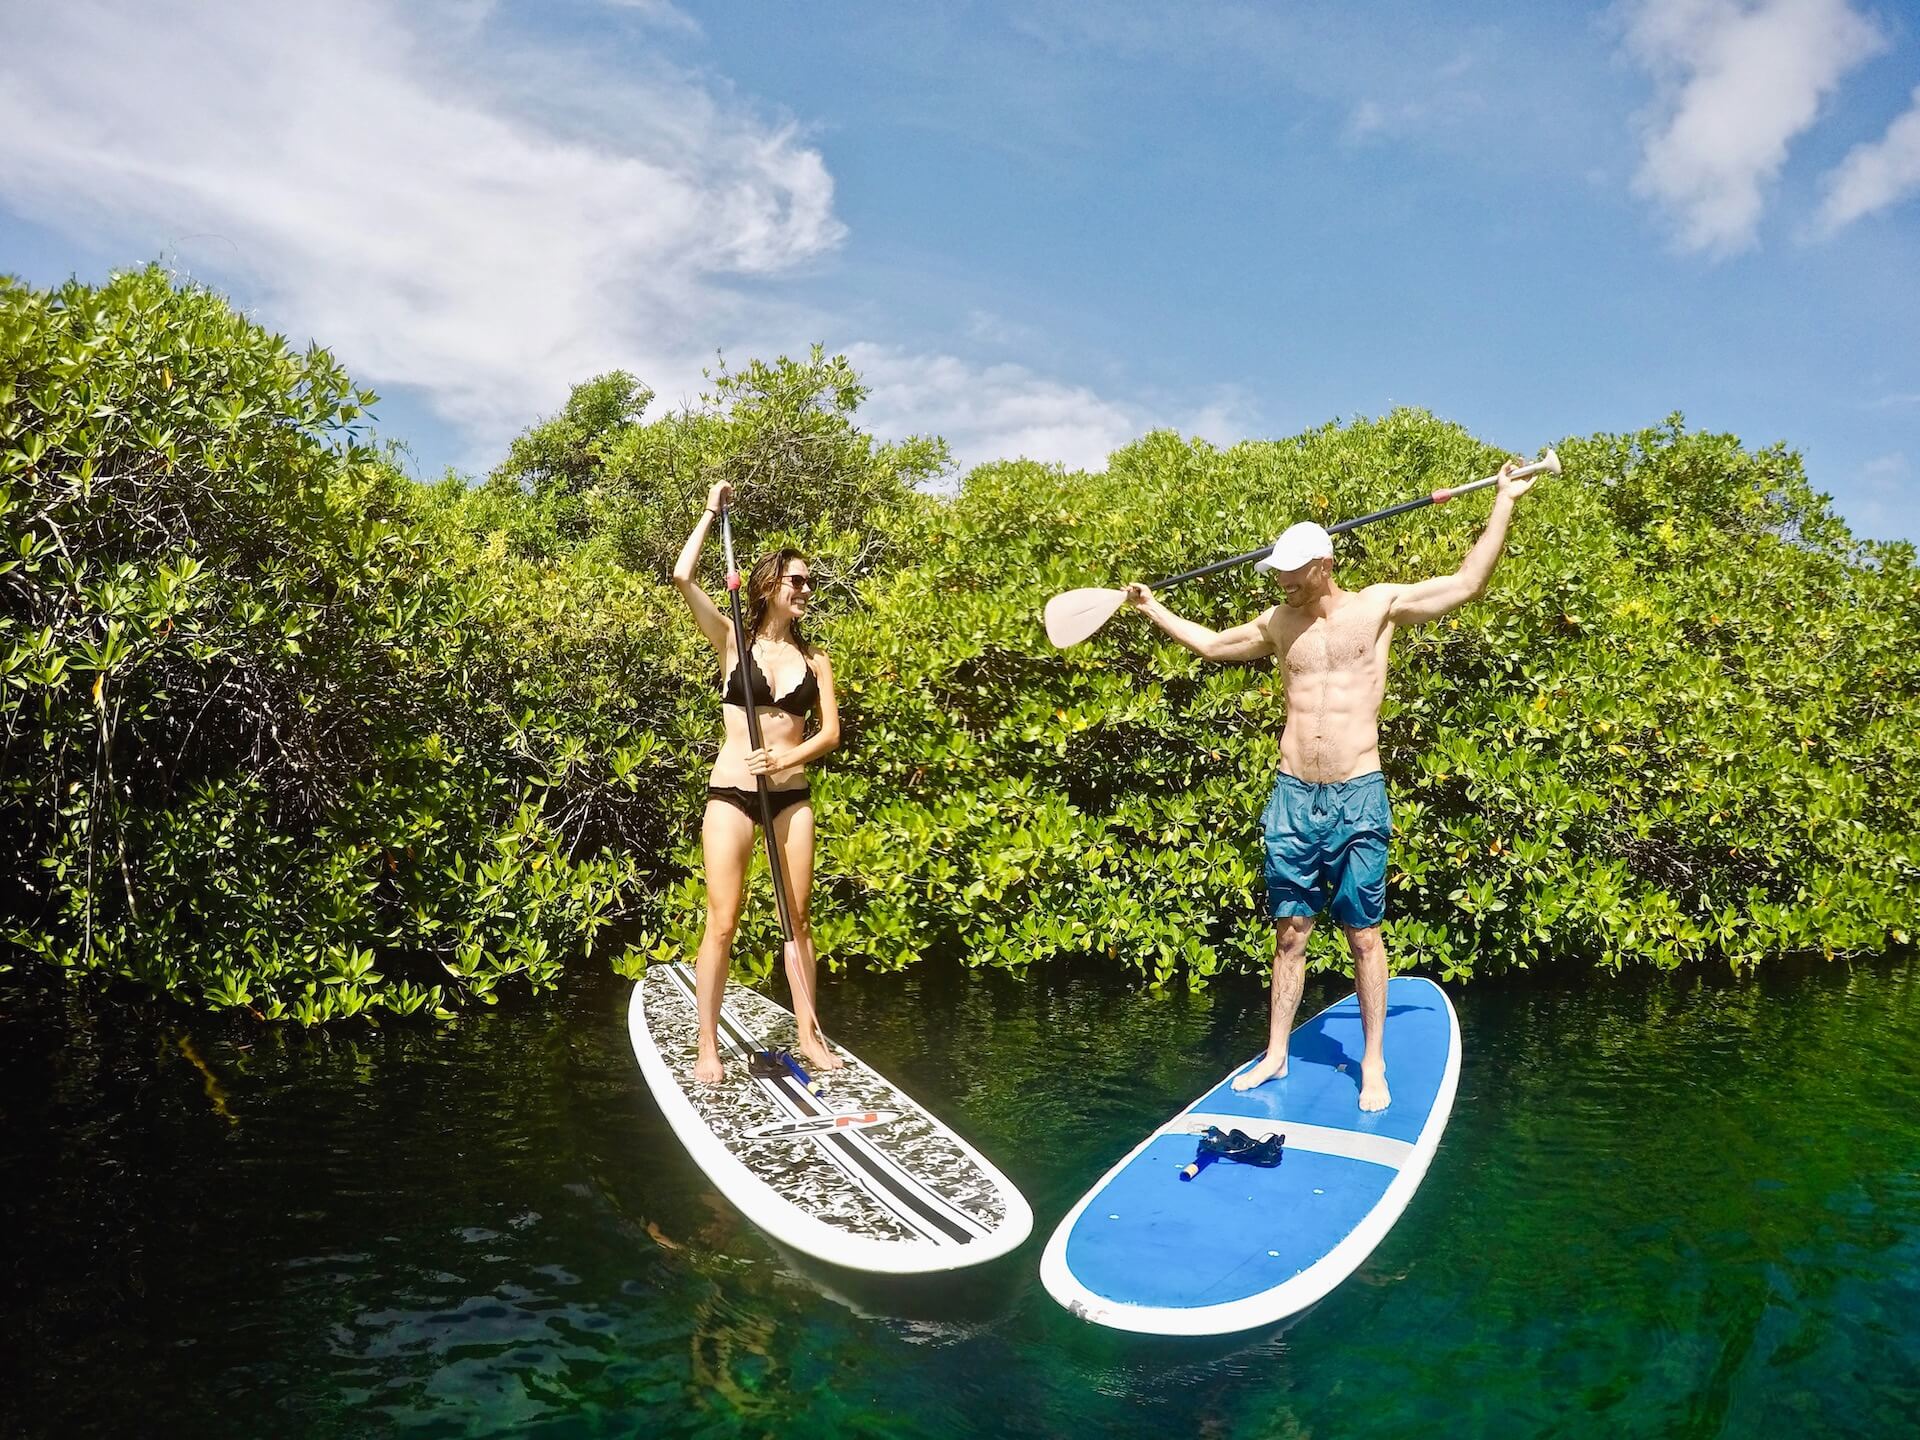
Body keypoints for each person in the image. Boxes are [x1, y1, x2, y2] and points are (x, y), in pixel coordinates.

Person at [1124, 460, 1539, 1111]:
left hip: (1356, 792)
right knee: (1290, 933)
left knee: (1362, 935)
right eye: (1278, 579)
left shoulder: (1379, 607)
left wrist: (1505, 502)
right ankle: (1277, 1054)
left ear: (1322, 565)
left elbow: (1467, 583)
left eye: (1291, 577)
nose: (1283, 586)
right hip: (1293, 796)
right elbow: (1208, 646)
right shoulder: (1278, 623)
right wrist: (1154, 608)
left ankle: (1372, 1063)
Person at [671, 481, 842, 1085]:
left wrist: (790, 753)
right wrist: (711, 511)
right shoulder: (731, 641)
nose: (804, 591)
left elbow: (830, 735)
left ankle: (808, 1032)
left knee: (798, 918)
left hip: (790, 797)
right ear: (770, 584)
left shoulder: (815, 660)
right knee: (723, 919)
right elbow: (682, 576)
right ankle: (706, 1046)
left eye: (808, 583)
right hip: (731, 794)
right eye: (796, 581)